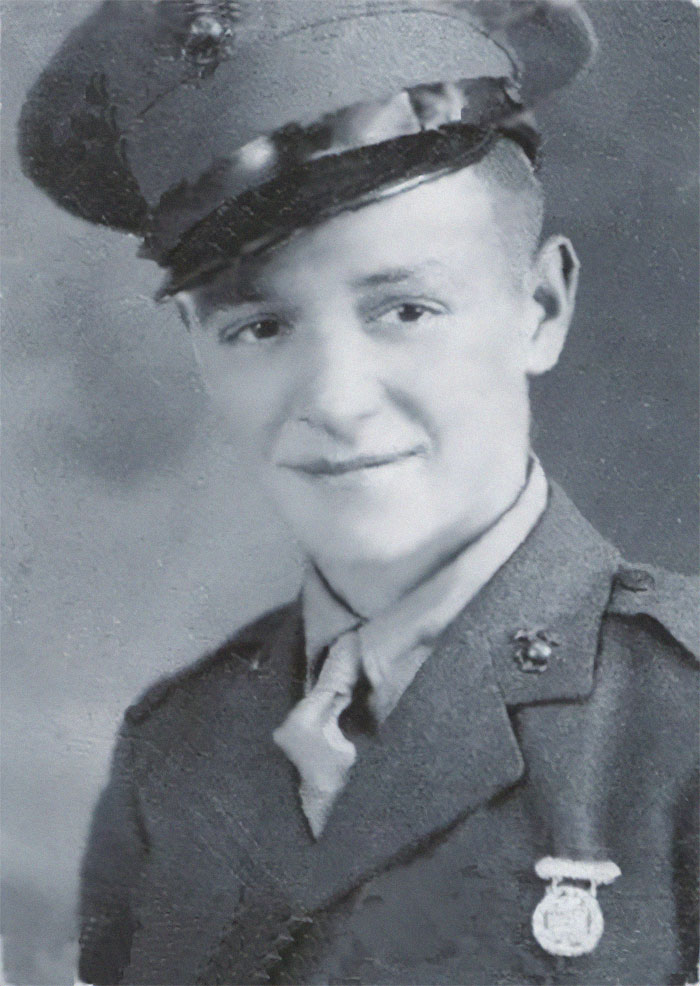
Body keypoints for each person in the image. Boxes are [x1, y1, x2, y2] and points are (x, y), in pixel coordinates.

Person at [18, 2, 698, 984]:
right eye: (259, 327)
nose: (334, 400)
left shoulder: (672, 720)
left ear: (539, 310)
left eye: (406, 309)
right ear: (198, 351)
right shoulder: (172, 750)